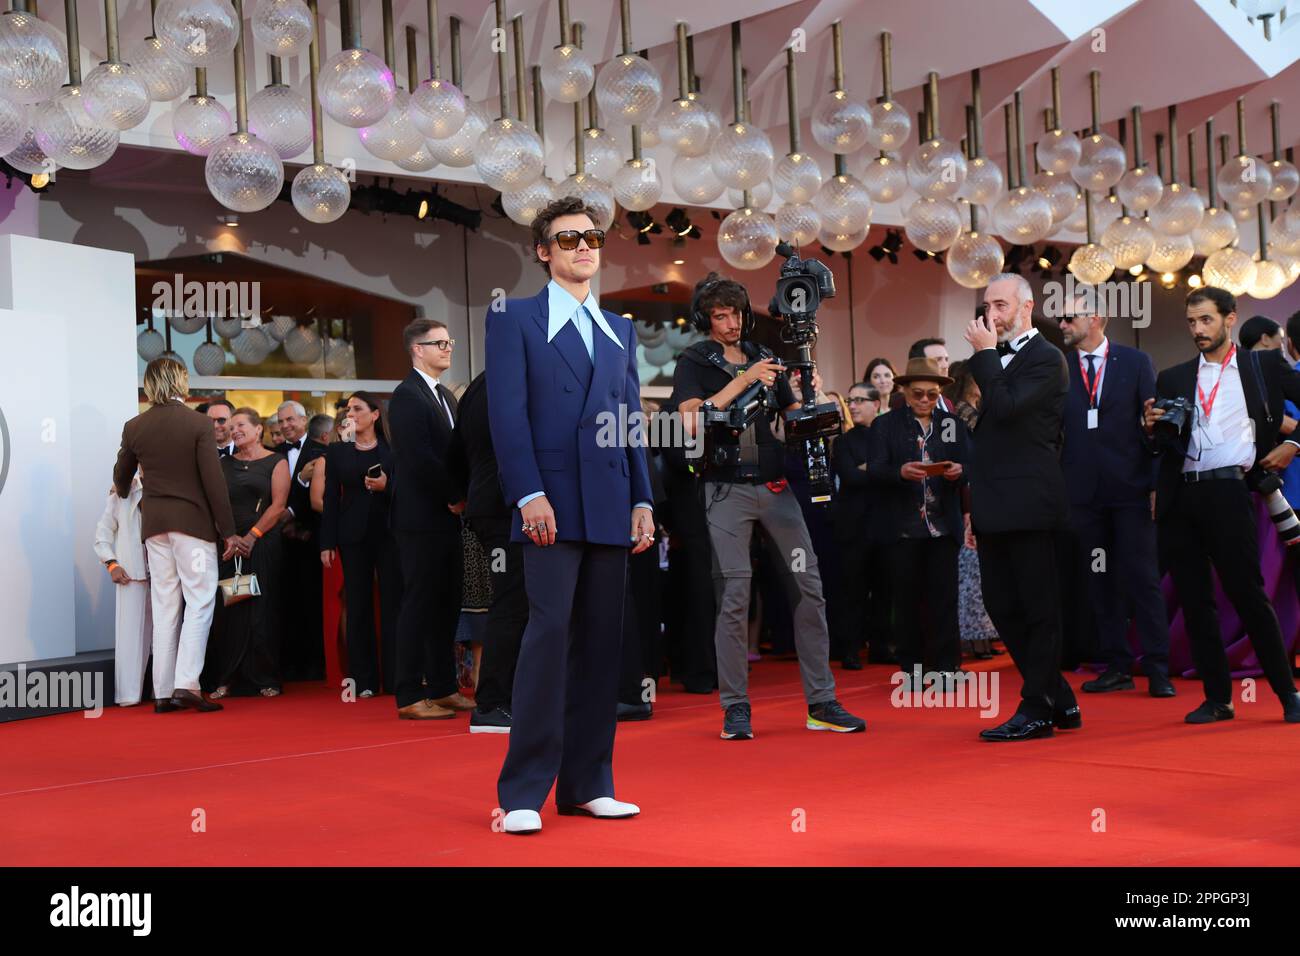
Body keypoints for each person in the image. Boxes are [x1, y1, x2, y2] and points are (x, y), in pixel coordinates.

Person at [487, 196, 655, 835]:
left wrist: (642, 498)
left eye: (590, 237)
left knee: (600, 645)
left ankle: (590, 784)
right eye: (566, 239)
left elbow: (630, 420)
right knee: (548, 638)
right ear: (542, 251)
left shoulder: (622, 329)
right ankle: (523, 790)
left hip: (611, 502)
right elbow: (507, 417)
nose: (582, 247)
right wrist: (528, 495)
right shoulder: (514, 319)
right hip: (550, 505)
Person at [671, 271, 866, 741]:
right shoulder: (695, 360)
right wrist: (743, 381)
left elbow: (789, 420)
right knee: (735, 596)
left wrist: (807, 393)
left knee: (810, 588)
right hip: (725, 488)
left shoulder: (765, 357)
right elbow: (690, 422)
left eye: (736, 313)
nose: (731, 323)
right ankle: (735, 707)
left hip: (776, 484)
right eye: (720, 315)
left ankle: (821, 701)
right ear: (706, 319)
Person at [1144, 287, 1300, 724]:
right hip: (1181, 495)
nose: (1197, 329)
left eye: (1206, 320)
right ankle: (1218, 698)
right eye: (1192, 322)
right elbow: (1159, 446)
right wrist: (1149, 427)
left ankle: (1288, 693)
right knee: (1194, 600)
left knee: (1248, 594)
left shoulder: (1263, 365)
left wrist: (1292, 444)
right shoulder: (1172, 376)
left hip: (1231, 492)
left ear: (1230, 318)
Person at [963, 273, 1078, 741]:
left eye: (1001, 305)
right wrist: (973, 508)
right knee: (1000, 603)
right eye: (987, 306)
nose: (992, 315)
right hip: (994, 503)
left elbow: (1008, 408)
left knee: (1037, 606)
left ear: (1027, 307)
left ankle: (1037, 708)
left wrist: (986, 355)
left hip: (1031, 500)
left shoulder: (1047, 358)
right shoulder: (995, 361)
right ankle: (1061, 698)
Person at [1057, 296, 1174, 697]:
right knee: (1099, 576)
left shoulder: (1135, 362)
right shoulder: (1060, 368)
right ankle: (1116, 662)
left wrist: (1156, 484)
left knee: (1143, 578)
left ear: (1096, 318)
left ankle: (1158, 666)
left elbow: (1154, 426)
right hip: (1084, 498)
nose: (1063, 325)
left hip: (1131, 491)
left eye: (1070, 317)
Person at [113, 357, 238, 713]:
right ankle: (188, 684)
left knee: (166, 605)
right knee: (199, 601)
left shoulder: (135, 426)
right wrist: (228, 531)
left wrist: (128, 491)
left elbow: (121, 477)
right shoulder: (197, 423)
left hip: (155, 527)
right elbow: (214, 482)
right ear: (181, 380)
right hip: (193, 525)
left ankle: (163, 692)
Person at [387, 317, 470, 721]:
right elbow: (419, 459)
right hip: (420, 517)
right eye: (439, 343)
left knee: (447, 603)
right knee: (419, 604)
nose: (448, 348)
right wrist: (455, 496)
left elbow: (453, 455)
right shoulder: (406, 396)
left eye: (449, 341)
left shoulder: (446, 398)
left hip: (446, 517)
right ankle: (407, 693)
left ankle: (443, 687)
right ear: (417, 349)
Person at [866, 357, 969, 683]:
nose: (925, 400)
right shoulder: (886, 425)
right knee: (906, 602)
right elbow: (874, 469)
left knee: (944, 600)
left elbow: (971, 463)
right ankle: (912, 669)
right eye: (918, 394)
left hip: (943, 528)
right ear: (904, 392)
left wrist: (959, 471)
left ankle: (947, 669)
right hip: (902, 529)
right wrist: (899, 472)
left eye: (931, 394)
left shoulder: (951, 423)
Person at [447, 370, 527, 733]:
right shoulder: (517, 380)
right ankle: (493, 702)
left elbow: (454, 450)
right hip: (508, 507)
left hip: (487, 505)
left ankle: (505, 698)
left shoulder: (478, 385)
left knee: (514, 600)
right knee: (513, 601)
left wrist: (461, 496)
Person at [319, 392, 401, 698]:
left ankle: (396, 679)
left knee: (394, 603)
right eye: (347, 409)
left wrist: (387, 486)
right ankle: (364, 681)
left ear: (375, 414)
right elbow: (330, 497)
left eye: (357, 408)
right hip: (352, 534)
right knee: (358, 605)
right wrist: (326, 541)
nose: (350, 413)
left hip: (391, 533)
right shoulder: (339, 452)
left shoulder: (393, 449)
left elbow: (406, 488)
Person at [207, 409, 290, 698]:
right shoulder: (224, 464)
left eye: (240, 425)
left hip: (263, 543)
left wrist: (253, 536)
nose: (234, 430)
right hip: (230, 546)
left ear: (258, 429)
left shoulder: (276, 461)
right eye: (231, 427)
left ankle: (266, 678)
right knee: (231, 610)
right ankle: (227, 678)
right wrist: (229, 537)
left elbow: (278, 505)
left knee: (262, 611)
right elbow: (215, 503)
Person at [831, 384, 894, 667]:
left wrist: (868, 468)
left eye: (859, 400)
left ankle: (881, 647)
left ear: (876, 404)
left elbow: (895, 474)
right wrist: (878, 469)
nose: (852, 405)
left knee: (885, 590)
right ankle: (850, 649)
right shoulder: (843, 442)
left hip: (884, 524)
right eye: (850, 400)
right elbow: (850, 477)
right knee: (852, 590)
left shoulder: (890, 436)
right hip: (853, 526)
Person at [944, 361, 1000, 660]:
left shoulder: (978, 410)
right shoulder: (963, 413)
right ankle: (972, 638)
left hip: (982, 493)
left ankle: (982, 636)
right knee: (969, 575)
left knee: (977, 575)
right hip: (968, 496)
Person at [275, 400, 328, 682]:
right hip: (282, 542)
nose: (285, 426)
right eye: (281, 422)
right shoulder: (273, 453)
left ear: (304, 420)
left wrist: (293, 512)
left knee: (312, 602)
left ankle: (315, 663)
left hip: (311, 539)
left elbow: (323, 498)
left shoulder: (321, 451)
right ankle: (291, 663)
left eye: (290, 420)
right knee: (287, 603)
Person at [93, 468, 151, 706]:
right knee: (129, 637)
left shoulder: (170, 485)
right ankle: (128, 695)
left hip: (166, 573)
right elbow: (103, 532)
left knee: (167, 635)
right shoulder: (122, 491)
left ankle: (164, 693)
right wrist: (111, 563)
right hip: (131, 573)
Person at [907, 338, 953, 411]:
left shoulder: (947, 403)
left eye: (946, 359)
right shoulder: (903, 402)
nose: (945, 365)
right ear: (920, 364)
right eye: (938, 359)